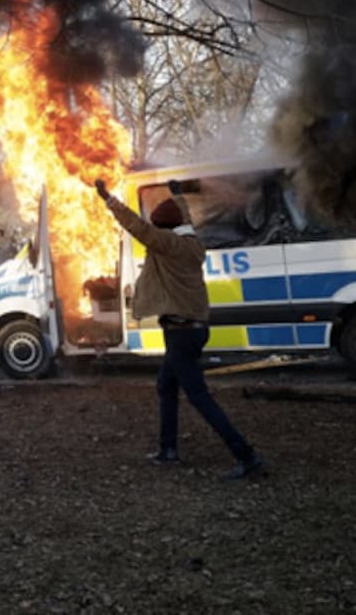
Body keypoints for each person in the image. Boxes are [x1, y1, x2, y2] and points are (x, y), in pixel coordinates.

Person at [97, 178, 263, 480]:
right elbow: (184, 216)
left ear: (165, 231)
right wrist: (177, 195)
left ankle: (245, 454)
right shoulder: (190, 241)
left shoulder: (169, 245)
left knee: (198, 395)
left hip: (181, 332)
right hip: (192, 328)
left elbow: (137, 227)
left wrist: (109, 200)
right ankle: (168, 450)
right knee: (166, 385)